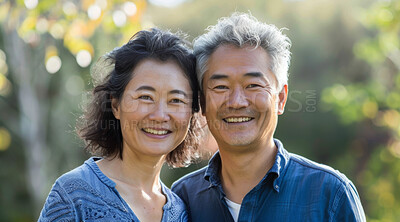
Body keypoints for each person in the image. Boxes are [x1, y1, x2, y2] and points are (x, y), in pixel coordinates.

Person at [171, 12, 366, 222]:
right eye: (221, 87)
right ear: (202, 103)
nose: (237, 102)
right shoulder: (182, 199)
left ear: (280, 98)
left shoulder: (329, 195)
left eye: (253, 85)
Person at [38, 28, 201, 222]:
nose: (160, 115)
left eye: (176, 100)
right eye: (145, 97)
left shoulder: (181, 211)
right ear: (115, 105)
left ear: (191, 112)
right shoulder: (74, 195)